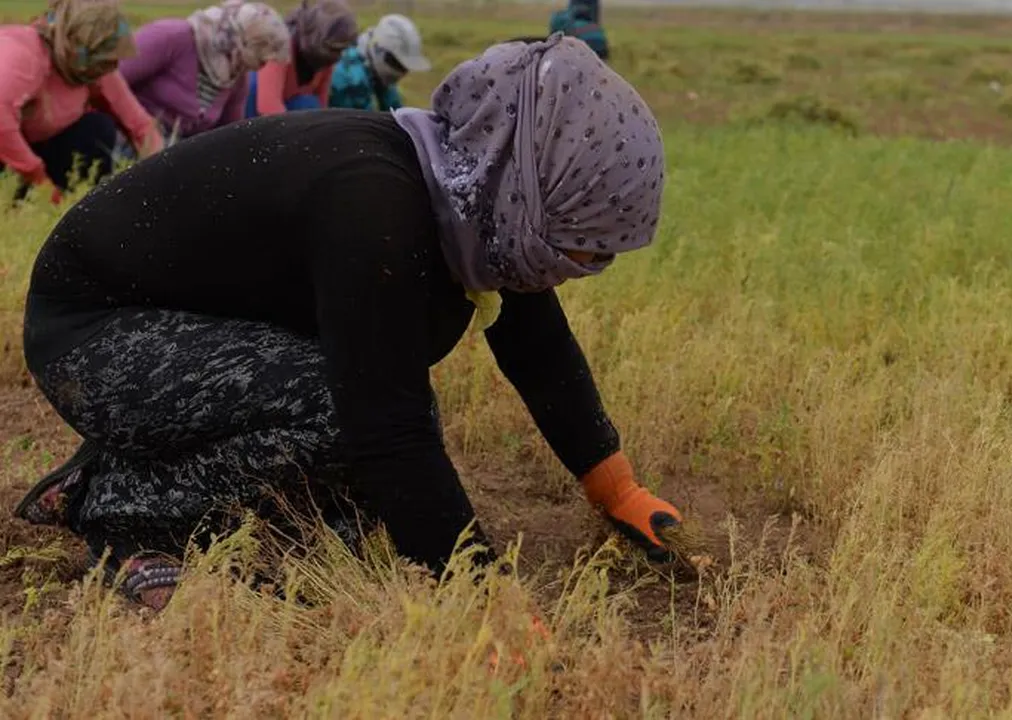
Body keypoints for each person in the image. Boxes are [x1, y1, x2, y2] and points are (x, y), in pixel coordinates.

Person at [16, 35, 682, 611]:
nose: (584, 268)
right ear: (532, 194)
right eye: (580, 245)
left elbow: (535, 341)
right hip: (95, 337)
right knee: (339, 411)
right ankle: (116, 507)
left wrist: (615, 487)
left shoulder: (472, 191)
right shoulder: (375, 205)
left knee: (351, 526)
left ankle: (131, 466)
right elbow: (386, 422)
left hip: (185, 332)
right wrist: (480, 600)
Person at [0, 0, 162, 201]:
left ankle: (88, 203)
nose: (108, 67)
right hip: (10, 157)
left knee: (96, 128)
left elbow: (140, 125)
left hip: (36, 150)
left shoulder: (93, 67)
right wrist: (41, 184)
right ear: (73, 44)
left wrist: (160, 174)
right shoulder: (22, 54)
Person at [118, 0, 290, 141]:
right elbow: (115, 80)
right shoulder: (173, 37)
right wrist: (142, 128)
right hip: (129, 139)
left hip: (176, 152)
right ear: (242, 41)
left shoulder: (234, 75)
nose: (262, 66)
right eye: (260, 57)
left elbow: (229, 134)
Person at [243, 0, 356, 117]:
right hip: (255, 114)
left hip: (286, 114)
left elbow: (321, 104)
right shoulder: (280, 46)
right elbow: (268, 106)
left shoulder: (326, 59)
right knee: (253, 85)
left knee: (309, 104)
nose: (338, 56)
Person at [328, 13, 430, 113]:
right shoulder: (351, 79)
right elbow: (361, 120)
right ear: (379, 50)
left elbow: (395, 111)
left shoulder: (373, 69)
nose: (401, 72)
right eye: (397, 64)